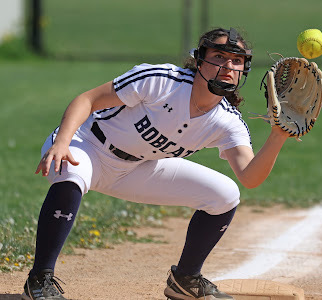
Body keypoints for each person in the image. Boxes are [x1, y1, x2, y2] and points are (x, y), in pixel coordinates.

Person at [22, 27, 289, 300]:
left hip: (138, 168)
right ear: (199, 60)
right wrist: (62, 142)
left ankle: (185, 279)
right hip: (88, 145)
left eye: (236, 60)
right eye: (219, 56)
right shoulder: (162, 81)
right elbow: (88, 100)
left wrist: (278, 137)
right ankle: (39, 281)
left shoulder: (228, 121)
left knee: (225, 194)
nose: (228, 66)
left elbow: (250, 177)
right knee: (72, 176)